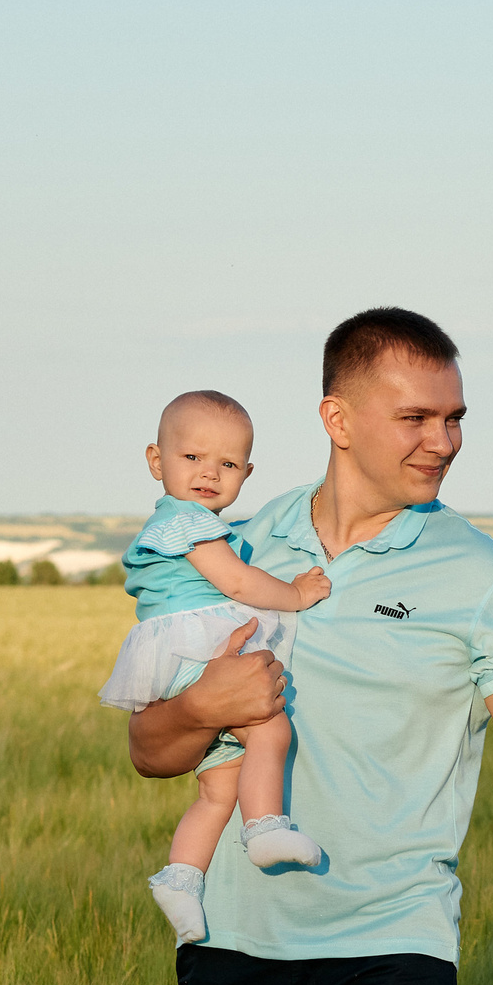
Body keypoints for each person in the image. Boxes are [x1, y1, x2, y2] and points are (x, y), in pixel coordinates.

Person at [128, 308, 493, 985]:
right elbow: (151, 748)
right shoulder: (236, 552)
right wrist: (200, 706)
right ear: (337, 419)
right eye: (416, 418)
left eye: (455, 417)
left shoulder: (483, 578)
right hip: (233, 943)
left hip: (392, 947)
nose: (444, 440)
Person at [98, 390, 333, 945]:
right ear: (157, 461)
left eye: (227, 464)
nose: (210, 474)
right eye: (192, 458)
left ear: (247, 473)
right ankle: (265, 828)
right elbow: (236, 582)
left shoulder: (171, 520)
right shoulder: (188, 522)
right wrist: (296, 594)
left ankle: (181, 879)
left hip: (176, 652)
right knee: (270, 726)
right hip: (196, 646)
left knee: (218, 788)